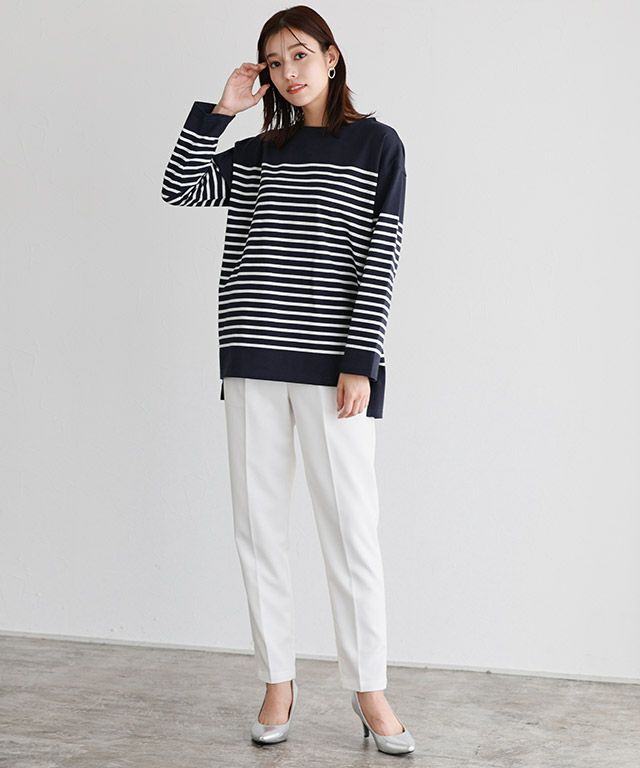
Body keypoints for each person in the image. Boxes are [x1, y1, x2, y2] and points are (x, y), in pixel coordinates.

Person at [161, 5, 414, 756]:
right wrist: (220, 111)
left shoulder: (378, 145)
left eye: (300, 55)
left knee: (351, 533)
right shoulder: (259, 151)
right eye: (274, 62)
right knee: (259, 530)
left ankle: (369, 688)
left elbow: (381, 255)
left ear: (332, 57)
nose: (288, 72)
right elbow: (179, 187)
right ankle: (277, 681)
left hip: (335, 370)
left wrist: (361, 360)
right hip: (252, 359)